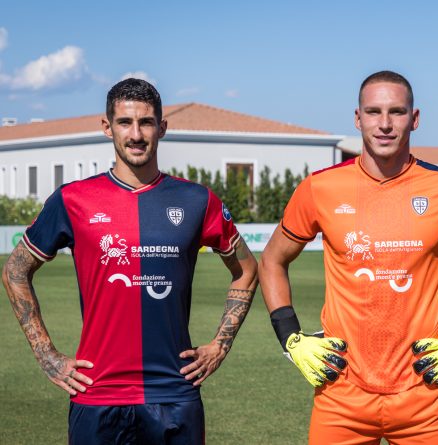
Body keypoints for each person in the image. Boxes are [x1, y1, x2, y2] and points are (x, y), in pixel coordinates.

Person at [259, 70, 438, 444]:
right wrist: (291, 338)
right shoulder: (319, 188)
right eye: (373, 112)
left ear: (414, 119)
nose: (384, 124)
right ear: (357, 118)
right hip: (341, 396)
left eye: (397, 112)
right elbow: (271, 260)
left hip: (425, 397)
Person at [1, 78, 258, 444]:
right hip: (97, 395)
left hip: (175, 394)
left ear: (162, 128)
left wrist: (220, 345)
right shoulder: (73, 200)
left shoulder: (196, 200)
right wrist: (47, 355)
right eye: (125, 122)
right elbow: (15, 271)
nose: (136, 134)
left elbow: (247, 269)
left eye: (146, 122)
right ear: (107, 127)